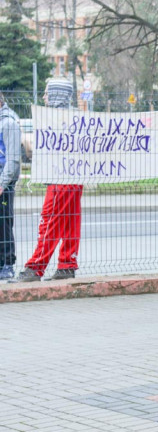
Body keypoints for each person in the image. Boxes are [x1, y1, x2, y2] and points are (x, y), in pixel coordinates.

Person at [15, 78, 82, 282]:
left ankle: (36, 267)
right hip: (75, 178)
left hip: (60, 179)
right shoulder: (75, 117)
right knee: (70, 220)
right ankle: (67, 264)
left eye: (46, 93)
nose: (43, 97)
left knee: (49, 220)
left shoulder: (54, 119)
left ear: (56, 95)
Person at [0, 91, 22, 280]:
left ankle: (8, 263)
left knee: (4, 223)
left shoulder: (8, 123)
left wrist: (2, 183)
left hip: (3, 183)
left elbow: (13, 159)